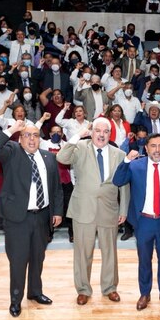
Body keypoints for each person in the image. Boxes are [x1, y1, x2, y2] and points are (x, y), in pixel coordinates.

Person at [0, 120, 63, 317]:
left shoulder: (48, 157)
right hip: (18, 219)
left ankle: (35, 292)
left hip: (42, 217)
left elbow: (56, 188)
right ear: (20, 139)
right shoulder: (12, 152)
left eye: (35, 135)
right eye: (27, 135)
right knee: (19, 260)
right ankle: (15, 299)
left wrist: (57, 211)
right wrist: (13, 129)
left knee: (38, 258)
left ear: (40, 139)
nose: (32, 139)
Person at [56, 118, 128, 306]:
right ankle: (83, 289)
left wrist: (124, 208)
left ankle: (110, 287)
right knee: (82, 252)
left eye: (106, 131)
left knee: (110, 252)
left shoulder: (119, 154)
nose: (102, 135)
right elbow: (61, 158)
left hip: (109, 209)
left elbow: (124, 185)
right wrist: (78, 135)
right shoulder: (80, 147)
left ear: (110, 134)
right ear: (92, 131)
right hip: (83, 209)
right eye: (98, 131)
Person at [113, 134, 160, 311]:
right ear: (146, 148)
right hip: (143, 222)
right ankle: (145, 293)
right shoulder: (135, 165)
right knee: (144, 261)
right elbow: (118, 180)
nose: (157, 150)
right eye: (153, 146)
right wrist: (125, 160)